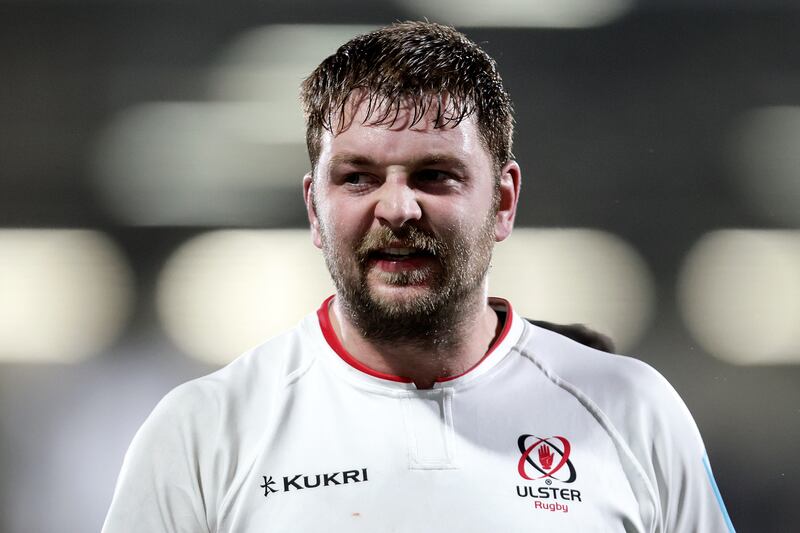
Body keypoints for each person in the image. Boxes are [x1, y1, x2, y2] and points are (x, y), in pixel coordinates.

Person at [103, 21, 734, 532]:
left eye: (436, 175)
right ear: (313, 208)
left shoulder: (631, 411)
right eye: (358, 177)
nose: (398, 209)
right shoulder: (205, 432)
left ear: (504, 202)